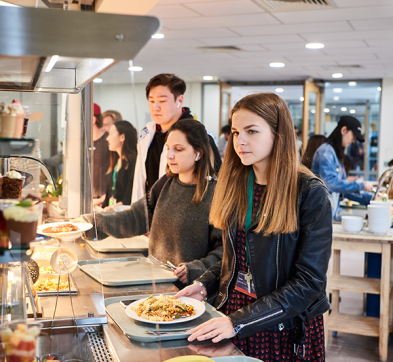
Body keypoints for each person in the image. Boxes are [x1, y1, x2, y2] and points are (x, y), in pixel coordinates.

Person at [175, 93, 332, 361]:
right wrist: (204, 285)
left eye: (252, 131)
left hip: (282, 323)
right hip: (235, 314)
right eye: (236, 132)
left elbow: (309, 283)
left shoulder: (309, 192)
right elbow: (236, 258)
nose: (240, 141)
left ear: (278, 134)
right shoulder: (236, 183)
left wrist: (239, 321)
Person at [83, 119, 223, 285]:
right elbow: (135, 218)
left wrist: (197, 268)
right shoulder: (164, 184)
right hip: (156, 285)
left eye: (178, 149)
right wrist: (94, 222)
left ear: (198, 153)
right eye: (168, 148)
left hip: (190, 295)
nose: (169, 155)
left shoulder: (215, 194)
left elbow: (224, 251)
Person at [131, 73, 222, 204]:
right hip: (150, 215)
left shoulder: (199, 135)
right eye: (151, 101)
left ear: (179, 101)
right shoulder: (146, 135)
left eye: (162, 101)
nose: (155, 107)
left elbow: (216, 181)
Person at [311, 115, 373, 219]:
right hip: (319, 217)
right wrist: (360, 186)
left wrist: (369, 199)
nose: (353, 140)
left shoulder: (337, 154)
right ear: (344, 130)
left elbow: (342, 189)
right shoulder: (326, 151)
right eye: (353, 135)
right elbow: (330, 183)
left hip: (330, 214)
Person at [100, 121, 137, 210]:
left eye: (111, 134)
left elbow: (130, 197)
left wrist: (112, 207)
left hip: (123, 214)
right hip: (112, 212)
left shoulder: (133, 162)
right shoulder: (116, 161)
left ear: (122, 137)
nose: (107, 138)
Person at [92, 103, 110, 199]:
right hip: (88, 197)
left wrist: (107, 197)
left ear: (93, 119)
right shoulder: (84, 142)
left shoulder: (108, 140)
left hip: (104, 198)